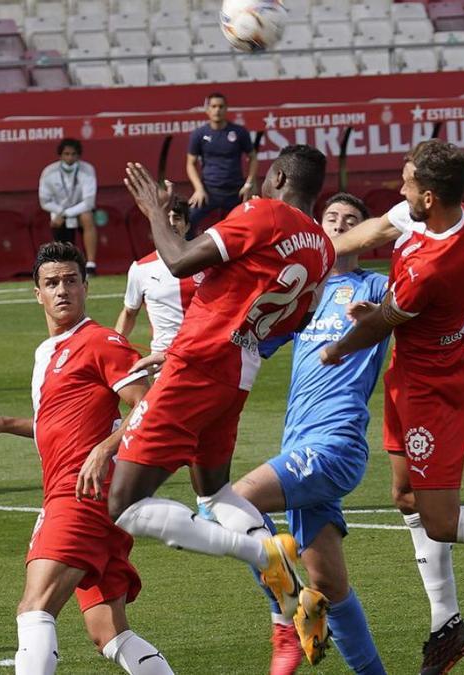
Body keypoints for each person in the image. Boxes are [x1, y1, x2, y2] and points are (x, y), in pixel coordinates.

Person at [106, 146, 334, 628]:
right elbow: (298, 320)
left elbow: (180, 259)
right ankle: (291, 595)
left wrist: (152, 210)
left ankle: (261, 551)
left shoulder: (263, 212)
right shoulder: (322, 247)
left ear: (278, 176)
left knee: (122, 505)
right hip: (237, 372)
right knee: (213, 495)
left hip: (197, 365)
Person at [0, 242, 172, 675]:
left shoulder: (102, 342)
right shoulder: (48, 352)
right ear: (36, 293)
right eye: (52, 283)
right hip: (94, 501)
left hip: (80, 495)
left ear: (86, 286)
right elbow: (60, 425)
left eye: (71, 281)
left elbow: (149, 402)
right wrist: (5, 424)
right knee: (108, 632)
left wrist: (105, 448)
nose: (63, 290)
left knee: (34, 606)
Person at [322, 139, 464, 675]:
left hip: (435, 389)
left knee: (441, 522)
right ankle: (447, 625)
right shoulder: (444, 214)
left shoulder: (436, 263)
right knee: (406, 494)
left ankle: (447, 623)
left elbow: (379, 324)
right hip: (413, 370)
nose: (399, 188)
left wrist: (337, 347)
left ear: (428, 196)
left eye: (407, 183)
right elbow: (371, 232)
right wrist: (310, 248)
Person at [227, 193, 386, 675]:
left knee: (231, 503)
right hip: (298, 447)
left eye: (350, 220)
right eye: (331, 218)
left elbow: (415, 301)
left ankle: (290, 609)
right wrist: (174, 360)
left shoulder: (375, 285)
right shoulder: (303, 295)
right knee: (333, 586)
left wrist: (377, 318)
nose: (339, 225)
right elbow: (245, 341)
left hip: (333, 445)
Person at [114, 197, 199, 354]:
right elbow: (129, 313)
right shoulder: (140, 269)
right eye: (166, 218)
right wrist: (113, 346)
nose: (172, 223)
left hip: (205, 355)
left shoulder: (206, 262)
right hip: (164, 360)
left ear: (187, 226)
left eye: (177, 218)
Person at [186, 93, 258, 231]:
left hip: (236, 191)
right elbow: (190, 163)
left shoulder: (239, 132)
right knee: (187, 220)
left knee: (253, 222)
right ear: (208, 110)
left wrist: (249, 183)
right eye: (213, 106)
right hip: (208, 191)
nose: (217, 110)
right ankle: (190, 251)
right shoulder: (199, 134)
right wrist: (198, 189)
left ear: (226, 109)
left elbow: (253, 157)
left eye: (221, 106)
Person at [38, 138, 99, 275]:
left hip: (79, 209)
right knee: (57, 226)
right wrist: (60, 213)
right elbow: (45, 201)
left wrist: (66, 213)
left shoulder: (87, 169)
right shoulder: (49, 172)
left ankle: (91, 264)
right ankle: (62, 263)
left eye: (73, 154)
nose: (70, 157)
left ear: (79, 155)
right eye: (67, 154)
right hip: (57, 211)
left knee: (87, 217)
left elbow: (89, 202)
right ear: (60, 155)